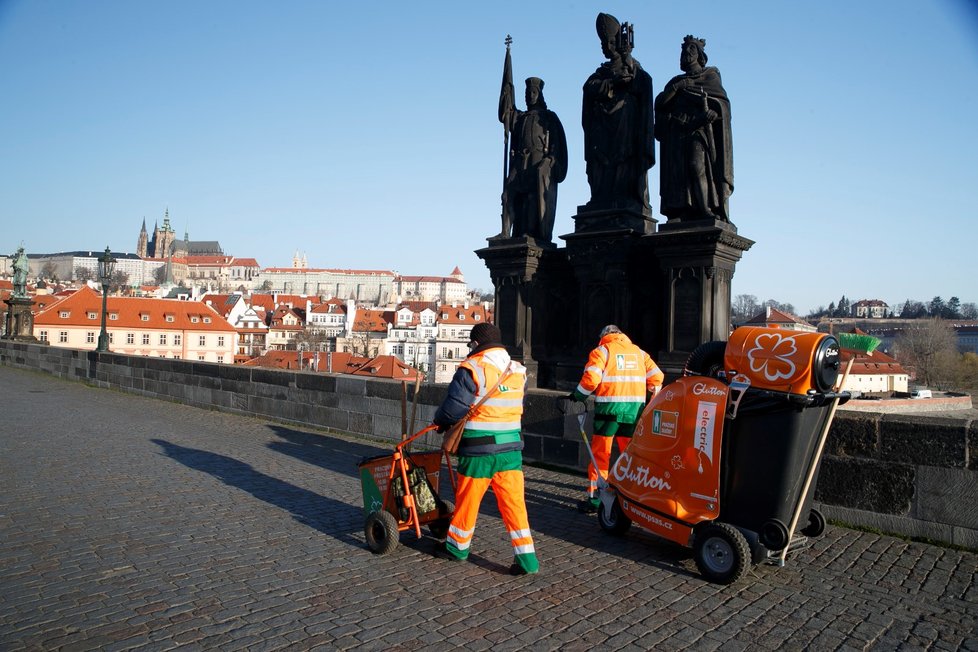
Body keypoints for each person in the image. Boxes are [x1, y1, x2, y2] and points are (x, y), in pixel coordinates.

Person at [432, 322, 539, 575]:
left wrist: (439, 422)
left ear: (476, 344)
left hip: (479, 448)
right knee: (514, 505)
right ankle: (528, 560)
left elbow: (454, 407)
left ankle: (457, 548)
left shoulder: (473, 368)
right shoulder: (518, 370)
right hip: (511, 448)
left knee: (468, 500)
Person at [569, 324, 664, 514]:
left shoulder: (602, 351)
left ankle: (596, 499)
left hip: (608, 413)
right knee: (629, 457)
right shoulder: (640, 353)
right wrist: (650, 403)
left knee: (600, 455)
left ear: (604, 336)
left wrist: (577, 396)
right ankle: (630, 496)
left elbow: (591, 380)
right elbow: (657, 378)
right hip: (634, 412)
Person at [581, 13, 655, 215]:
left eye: (611, 41)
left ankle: (625, 195)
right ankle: (601, 196)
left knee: (624, 159)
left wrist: (628, 58)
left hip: (624, 123)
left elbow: (642, 85)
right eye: (604, 43)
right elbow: (589, 88)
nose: (606, 46)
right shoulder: (600, 72)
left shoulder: (633, 68)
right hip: (601, 129)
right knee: (600, 165)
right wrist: (613, 83)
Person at [654, 35, 733, 223]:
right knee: (678, 172)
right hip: (678, 130)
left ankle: (705, 208)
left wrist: (713, 114)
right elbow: (661, 103)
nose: (686, 53)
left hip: (699, 129)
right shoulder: (676, 81)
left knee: (696, 166)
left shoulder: (710, 75)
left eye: (691, 49)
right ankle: (680, 210)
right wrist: (679, 86)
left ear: (700, 55)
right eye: (684, 50)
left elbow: (721, 103)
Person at [499, 77, 568, 243]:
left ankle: (530, 231)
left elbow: (557, 145)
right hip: (520, 161)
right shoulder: (520, 117)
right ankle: (505, 231)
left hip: (537, 160)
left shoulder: (549, 117)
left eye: (533, 92)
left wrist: (550, 160)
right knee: (508, 192)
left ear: (540, 94)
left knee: (532, 197)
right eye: (527, 93)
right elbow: (505, 115)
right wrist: (507, 91)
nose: (529, 95)